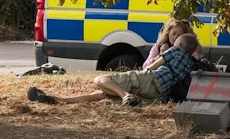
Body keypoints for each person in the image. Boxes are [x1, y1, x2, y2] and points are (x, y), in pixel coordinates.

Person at [29, 33, 204, 108]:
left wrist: (157, 58)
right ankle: (57, 100)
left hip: (150, 79)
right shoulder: (191, 62)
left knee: (101, 80)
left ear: (179, 44)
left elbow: (151, 67)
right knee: (103, 93)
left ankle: (126, 96)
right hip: (159, 94)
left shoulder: (175, 51)